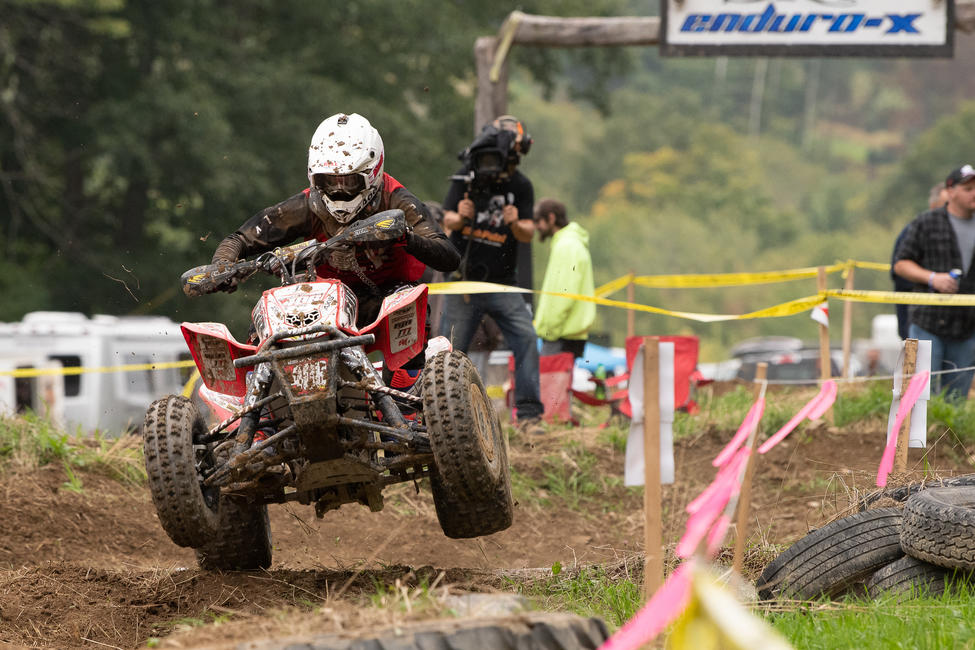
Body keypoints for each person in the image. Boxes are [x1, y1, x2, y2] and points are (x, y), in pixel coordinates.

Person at [209, 112, 460, 389]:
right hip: (327, 299)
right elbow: (242, 238)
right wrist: (223, 265)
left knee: (405, 302)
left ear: (372, 173)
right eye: (329, 181)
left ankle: (408, 398)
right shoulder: (307, 205)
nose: (339, 190)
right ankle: (259, 405)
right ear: (315, 177)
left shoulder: (395, 199)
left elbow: (448, 255)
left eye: (349, 182)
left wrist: (406, 237)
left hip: (385, 298)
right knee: (270, 313)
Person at [439, 115, 544, 431]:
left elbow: (528, 233)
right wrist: (460, 217)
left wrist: (514, 221)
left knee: (526, 337)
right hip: (463, 283)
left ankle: (529, 416)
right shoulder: (465, 178)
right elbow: (446, 221)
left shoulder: (521, 186)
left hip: (503, 283)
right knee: (449, 351)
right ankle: (445, 420)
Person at [893, 164, 975, 401]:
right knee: (919, 399)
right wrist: (932, 278)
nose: (974, 193)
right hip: (927, 322)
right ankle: (919, 440)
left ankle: (948, 440)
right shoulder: (926, 223)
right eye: (968, 188)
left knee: (956, 402)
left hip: (967, 327)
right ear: (951, 192)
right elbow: (901, 263)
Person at [532, 198, 595, 360]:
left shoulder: (567, 246)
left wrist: (549, 330)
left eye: (538, 220)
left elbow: (563, 295)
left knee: (547, 385)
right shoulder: (570, 243)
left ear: (551, 218)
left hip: (559, 336)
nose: (536, 226)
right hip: (567, 334)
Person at [891, 182, 950, 339]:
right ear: (932, 206)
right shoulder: (914, 231)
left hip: (958, 326)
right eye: (945, 205)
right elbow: (900, 273)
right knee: (916, 364)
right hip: (917, 320)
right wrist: (933, 280)